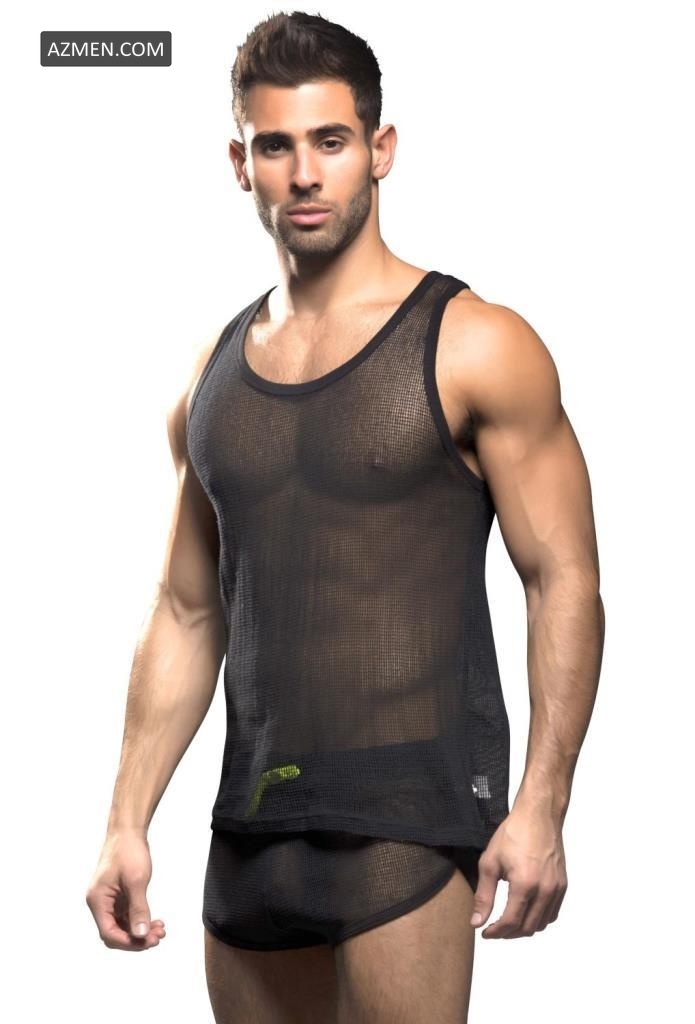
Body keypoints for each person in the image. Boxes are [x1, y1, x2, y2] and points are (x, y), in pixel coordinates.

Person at [86, 11, 605, 1023]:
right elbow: (187, 611)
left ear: (380, 149)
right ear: (240, 164)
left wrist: (542, 801)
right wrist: (125, 819)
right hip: (249, 825)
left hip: (406, 820)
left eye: (329, 140)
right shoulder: (209, 380)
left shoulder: (474, 344)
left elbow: (563, 580)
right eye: (275, 146)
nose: (303, 173)